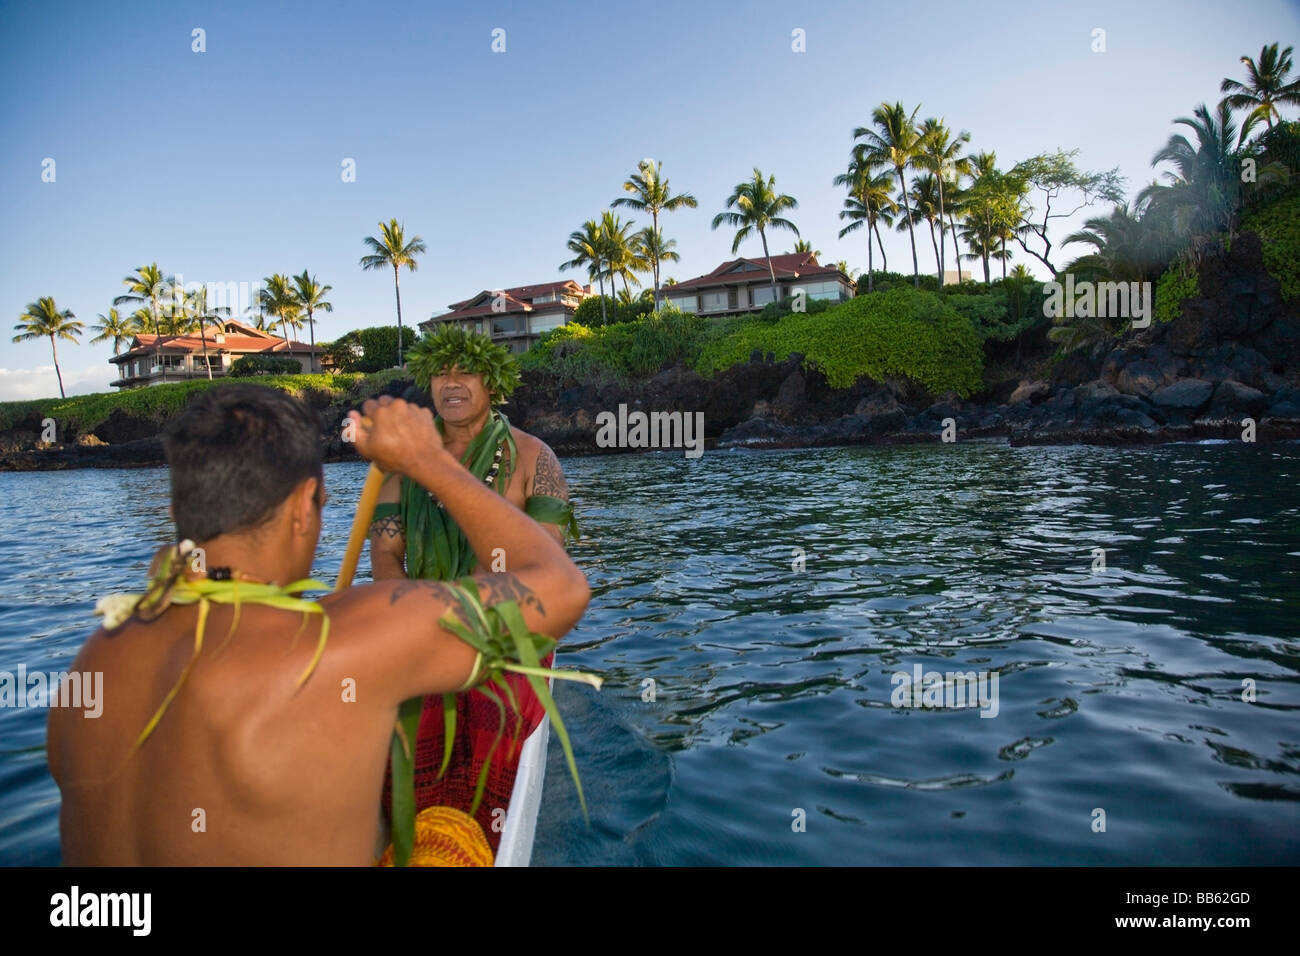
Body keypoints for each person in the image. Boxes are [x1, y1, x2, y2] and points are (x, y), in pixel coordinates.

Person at [46, 384, 589, 865]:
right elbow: (559, 588)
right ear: (305, 507)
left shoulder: (95, 659)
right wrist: (430, 462)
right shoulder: (339, 640)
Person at [368, 325, 576, 850]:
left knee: (482, 708)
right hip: (421, 625)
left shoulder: (535, 459)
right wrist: (415, 620)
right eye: (440, 371)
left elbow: (546, 566)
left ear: (494, 381)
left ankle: (471, 842)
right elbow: (386, 554)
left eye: (467, 371)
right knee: (378, 714)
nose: (451, 382)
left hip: (509, 630)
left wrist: (472, 626)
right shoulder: (398, 466)